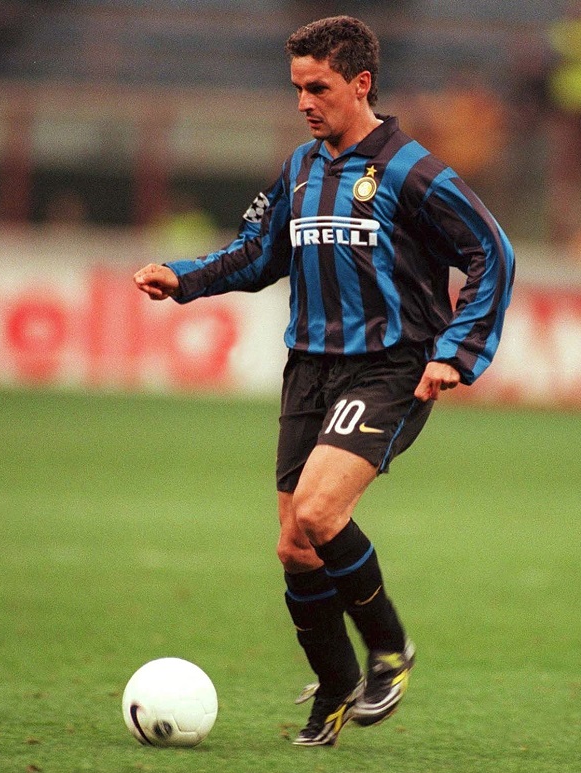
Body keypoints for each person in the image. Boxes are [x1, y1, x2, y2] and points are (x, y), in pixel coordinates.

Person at [135, 16, 514, 747]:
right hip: (309, 367)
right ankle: (337, 684)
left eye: (319, 87)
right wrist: (184, 279)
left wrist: (456, 352)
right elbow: (258, 253)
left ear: (361, 83)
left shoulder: (412, 171)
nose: (305, 102)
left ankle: (390, 650)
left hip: (390, 366)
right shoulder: (301, 168)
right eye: (297, 88)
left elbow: (492, 252)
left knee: (317, 511)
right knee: (295, 546)